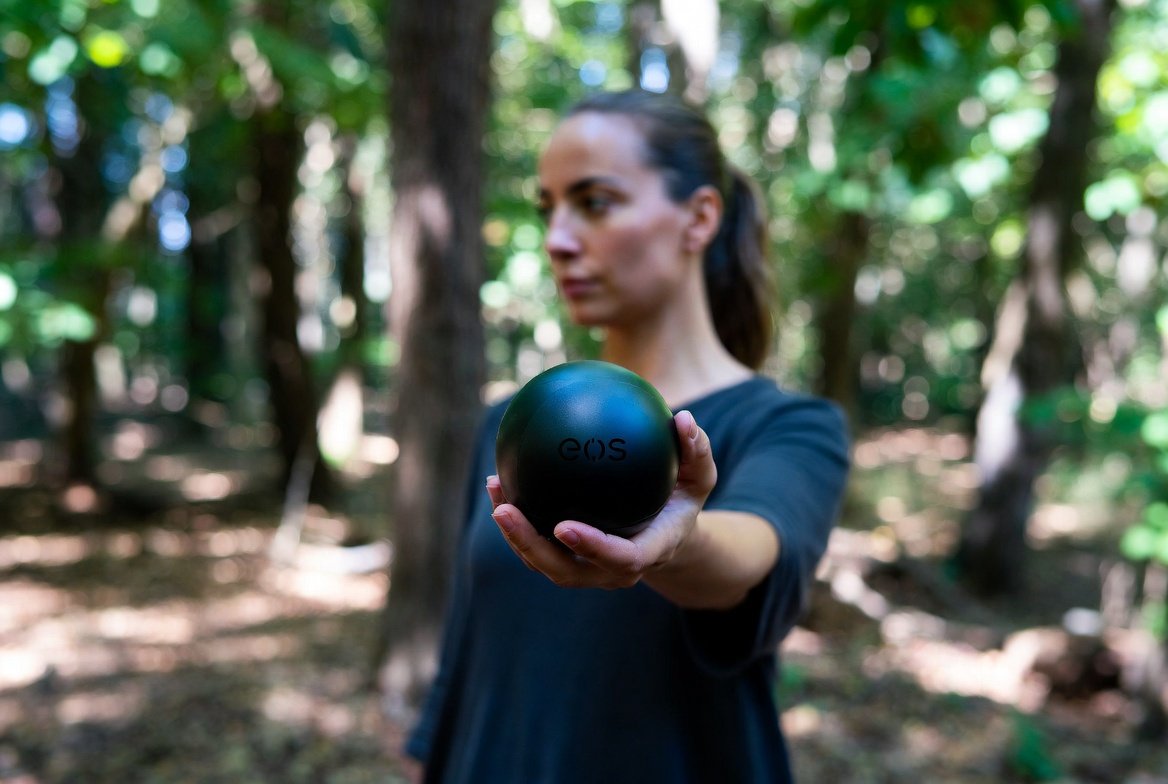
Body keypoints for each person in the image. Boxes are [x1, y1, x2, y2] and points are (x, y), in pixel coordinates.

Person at [405, 89, 850, 783]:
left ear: (699, 217)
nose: (557, 238)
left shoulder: (790, 427)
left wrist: (676, 540)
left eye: (595, 202)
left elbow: (755, 555)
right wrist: (428, 755)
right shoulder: (514, 425)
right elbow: (471, 644)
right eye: (547, 208)